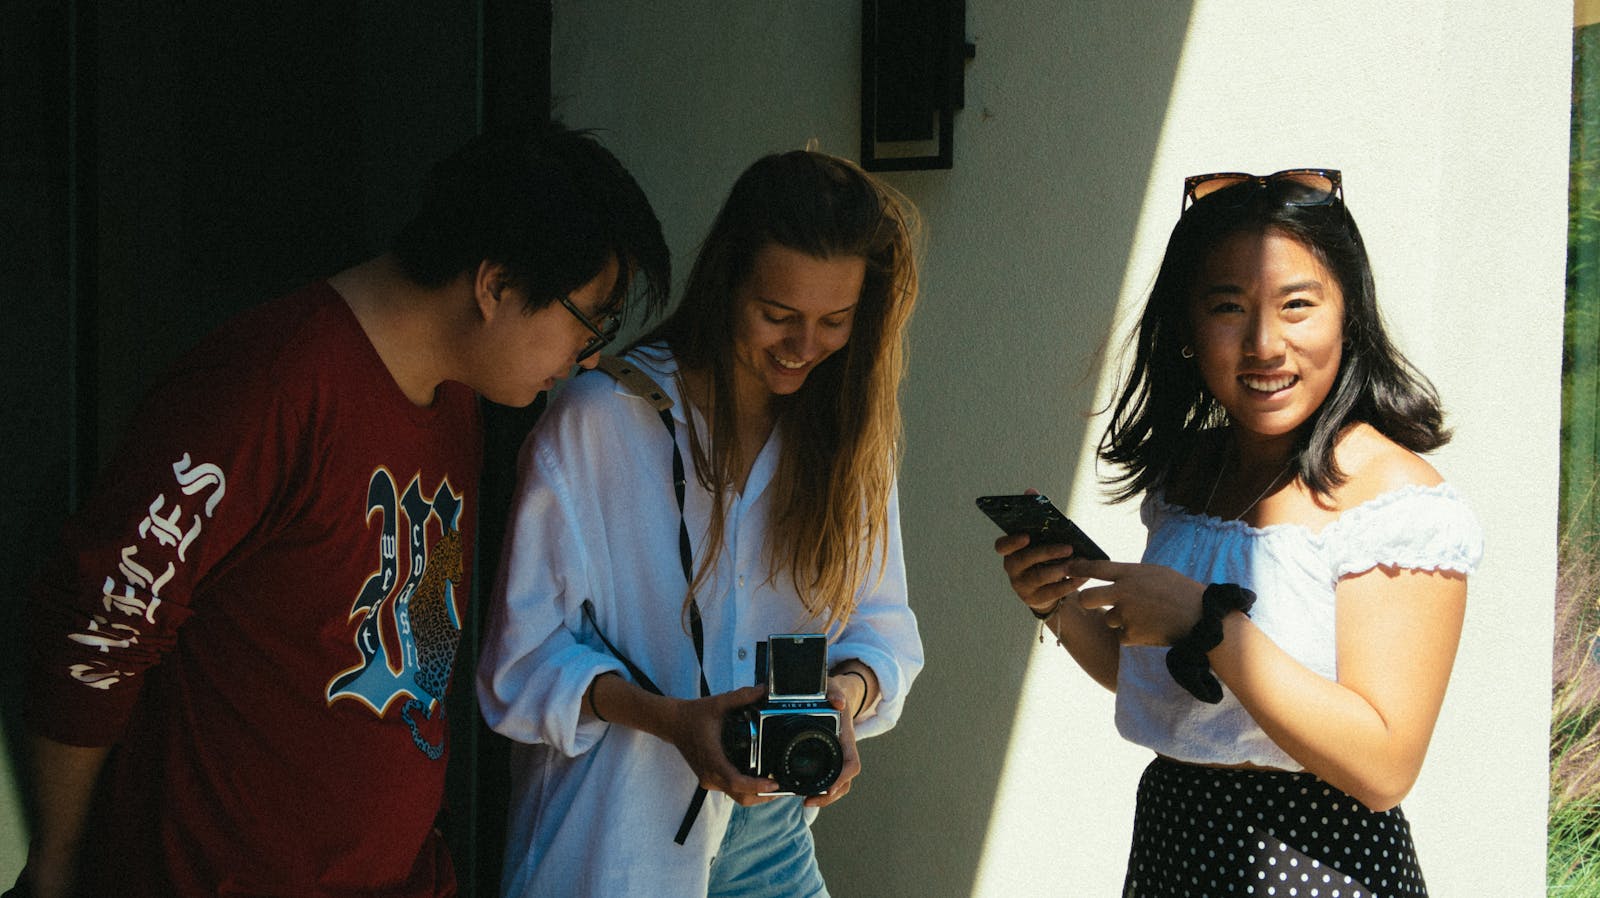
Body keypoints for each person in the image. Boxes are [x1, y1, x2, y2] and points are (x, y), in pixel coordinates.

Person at [15, 123, 670, 898]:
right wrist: (55, 863)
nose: (588, 355)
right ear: (494, 285)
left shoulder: (458, 398)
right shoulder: (271, 384)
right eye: (589, 320)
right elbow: (98, 624)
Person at [997, 170, 1483, 897]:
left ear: (1349, 315)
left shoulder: (1398, 501)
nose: (1264, 344)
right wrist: (1058, 603)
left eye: (1297, 306)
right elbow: (1175, 692)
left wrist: (1204, 623)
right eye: (1228, 308)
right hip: (1173, 842)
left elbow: (1385, 767)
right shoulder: (1187, 473)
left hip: (1323, 861)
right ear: (1188, 327)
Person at [477, 149, 924, 897]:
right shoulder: (601, 422)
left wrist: (842, 702)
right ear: (725, 286)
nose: (804, 346)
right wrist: (671, 720)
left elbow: (883, 632)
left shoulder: (847, 439)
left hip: (773, 841)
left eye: (835, 321)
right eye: (776, 315)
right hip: (618, 843)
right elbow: (519, 667)